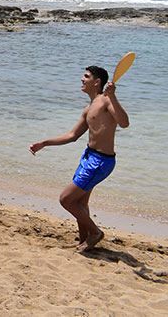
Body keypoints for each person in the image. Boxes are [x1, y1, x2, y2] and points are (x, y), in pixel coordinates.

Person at [29, 65, 130, 251]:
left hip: (100, 161)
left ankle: (96, 233)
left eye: (86, 76)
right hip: (88, 157)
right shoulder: (89, 108)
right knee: (81, 203)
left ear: (97, 82)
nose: (82, 80)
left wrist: (113, 96)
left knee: (66, 199)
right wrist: (44, 143)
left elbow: (124, 123)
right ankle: (84, 241)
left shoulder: (107, 101)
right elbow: (72, 135)